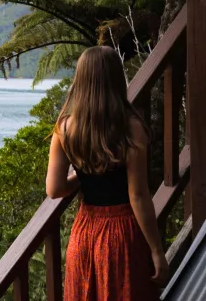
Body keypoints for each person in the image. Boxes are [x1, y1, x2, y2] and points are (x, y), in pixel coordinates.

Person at [45, 46, 168, 301]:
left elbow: (54, 189)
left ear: (81, 80)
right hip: (122, 235)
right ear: (116, 79)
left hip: (85, 233)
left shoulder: (65, 128)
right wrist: (157, 251)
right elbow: (138, 195)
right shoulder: (130, 128)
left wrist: (83, 173)